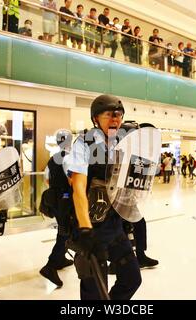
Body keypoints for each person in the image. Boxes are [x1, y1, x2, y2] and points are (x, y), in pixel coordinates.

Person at [64, 94, 142, 300]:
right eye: (109, 114)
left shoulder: (122, 144)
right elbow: (78, 189)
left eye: (119, 114)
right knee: (95, 292)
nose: (115, 118)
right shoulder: (84, 143)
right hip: (92, 226)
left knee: (132, 278)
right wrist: (85, 230)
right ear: (95, 118)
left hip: (115, 225)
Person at [39, 130, 74, 287]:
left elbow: (46, 179)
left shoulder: (53, 158)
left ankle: (60, 260)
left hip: (55, 198)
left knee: (63, 229)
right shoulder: (69, 157)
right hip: (65, 199)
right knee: (65, 231)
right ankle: (50, 266)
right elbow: (72, 179)